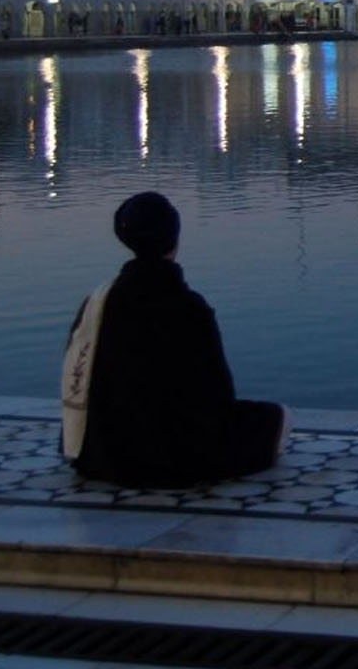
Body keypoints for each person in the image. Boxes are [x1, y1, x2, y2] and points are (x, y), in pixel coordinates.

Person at [62, 192, 288, 488]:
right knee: (275, 418)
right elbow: (217, 395)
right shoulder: (188, 307)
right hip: (176, 457)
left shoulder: (98, 302)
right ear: (174, 240)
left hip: (105, 454)